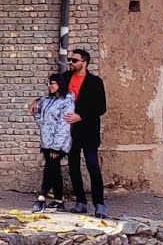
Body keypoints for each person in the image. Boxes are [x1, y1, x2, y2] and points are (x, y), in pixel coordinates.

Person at [63, 49, 108, 217]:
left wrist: (80, 116)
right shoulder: (66, 78)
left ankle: (99, 204)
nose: (71, 63)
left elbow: (101, 108)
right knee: (73, 167)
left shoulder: (95, 82)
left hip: (88, 131)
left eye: (74, 60)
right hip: (69, 131)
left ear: (84, 63)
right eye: (70, 60)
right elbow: (53, 92)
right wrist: (38, 101)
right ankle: (80, 201)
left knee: (93, 167)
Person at [31, 73, 75, 212]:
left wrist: (56, 148)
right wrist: (37, 112)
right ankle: (58, 201)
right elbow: (40, 116)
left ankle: (41, 198)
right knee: (54, 170)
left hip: (59, 144)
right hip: (47, 142)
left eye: (53, 83)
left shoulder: (67, 101)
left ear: (60, 84)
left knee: (49, 168)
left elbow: (64, 125)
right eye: (49, 83)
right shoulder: (46, 99)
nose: (50, 86)